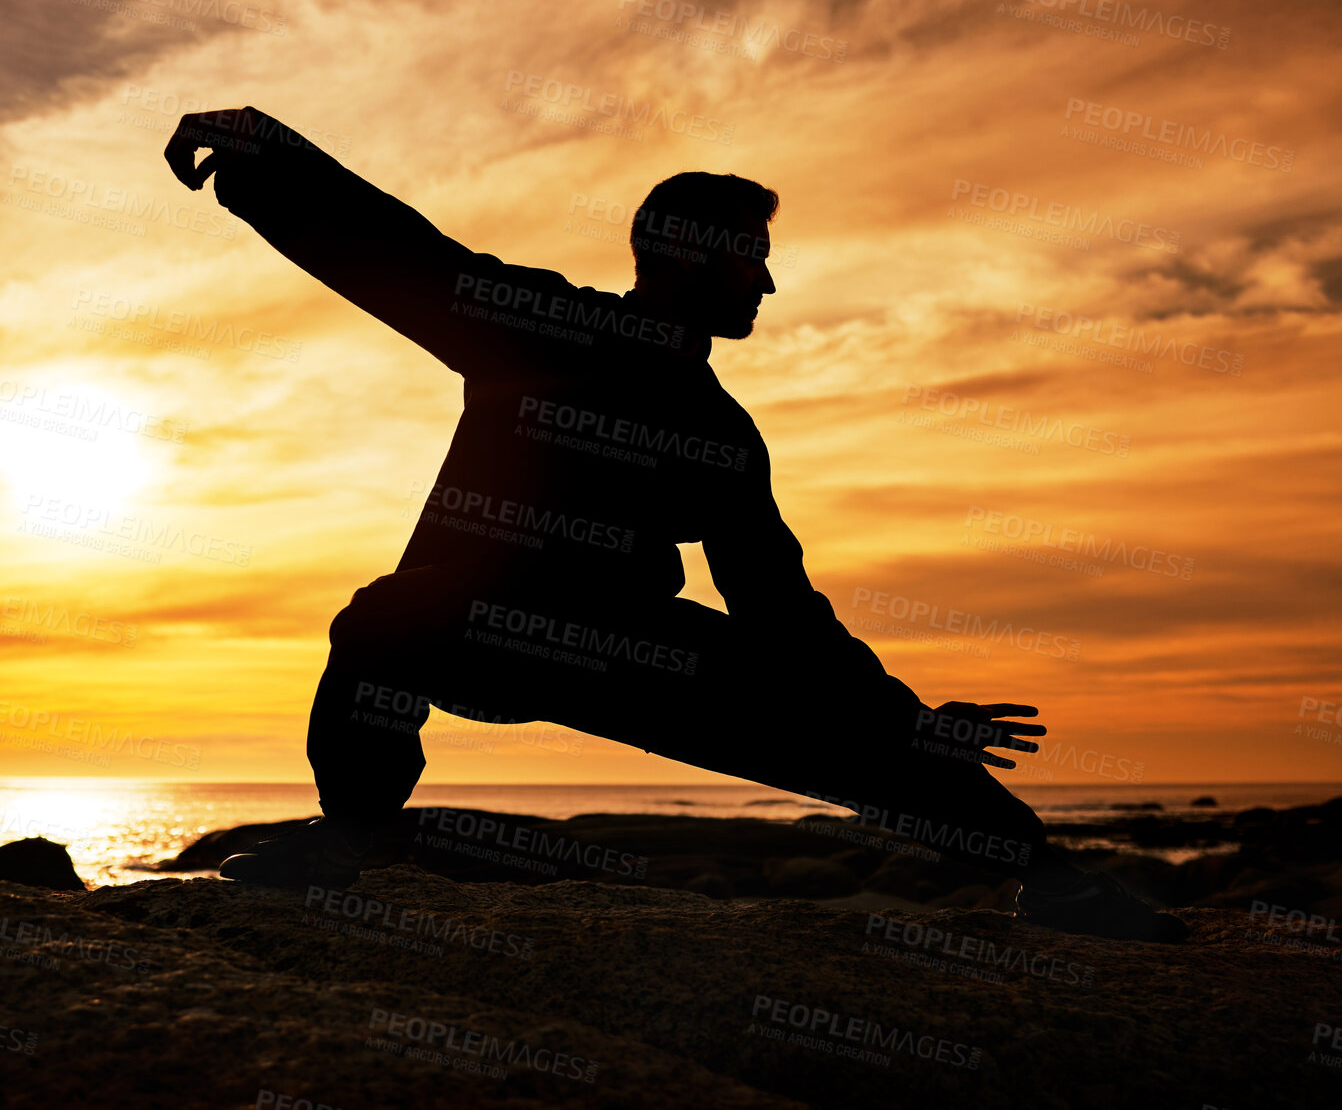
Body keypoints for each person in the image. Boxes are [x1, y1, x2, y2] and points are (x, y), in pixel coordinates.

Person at [163, 106, 1187, 942]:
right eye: (752, 257)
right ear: (686, 253)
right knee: (379, 618)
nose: (770, 282)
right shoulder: (542, 327)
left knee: (829, 719)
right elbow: (404, 257)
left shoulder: (722, 434)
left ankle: (1054, 880)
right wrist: (274, 159)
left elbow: (783, 614)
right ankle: (349, 840)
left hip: (618, 645)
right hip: (469, 630)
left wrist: (907, 718)